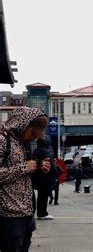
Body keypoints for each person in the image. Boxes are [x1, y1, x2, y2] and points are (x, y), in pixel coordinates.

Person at [0, 107, 51, 252]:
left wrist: (40, 170)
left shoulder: (23, 144)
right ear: (22, 124)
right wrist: (24, 168)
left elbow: (24, 178)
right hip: (9, 215)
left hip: (26, 213)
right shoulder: (3, 140)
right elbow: (21, 170)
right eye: (33, 133)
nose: (35, 138)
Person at [31, 137, 62, 219]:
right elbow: (50, 166)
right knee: (43, 196)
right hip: (45, 177)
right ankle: (42, 213)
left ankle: (34, 213)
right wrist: (58, 170)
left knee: (37, 196)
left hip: (36, 176)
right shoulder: (47, 152)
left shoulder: (35, 151)